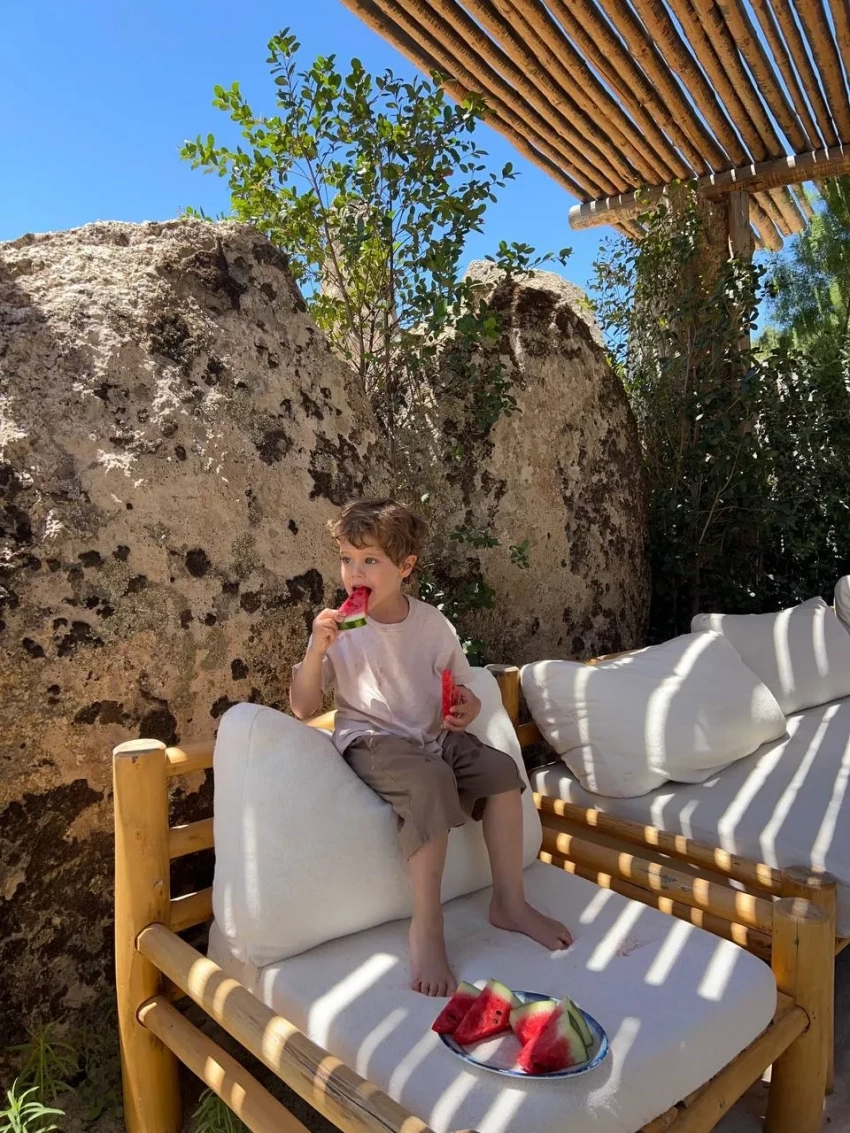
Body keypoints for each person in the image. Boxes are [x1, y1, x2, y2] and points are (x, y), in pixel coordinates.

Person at [290, 498, 572, 996]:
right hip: (372, 739)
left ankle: (510, 902)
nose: (355, 573)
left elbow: (461, 689)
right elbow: (303, 706)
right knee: (431, 780)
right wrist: (316, 650)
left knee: (502, 771)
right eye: (347, 559)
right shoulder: (340, 628)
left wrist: (465, 707)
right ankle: (427, 926)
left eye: (370, 560)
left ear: (406, 566)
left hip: (433, 734)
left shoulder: (432, 623)